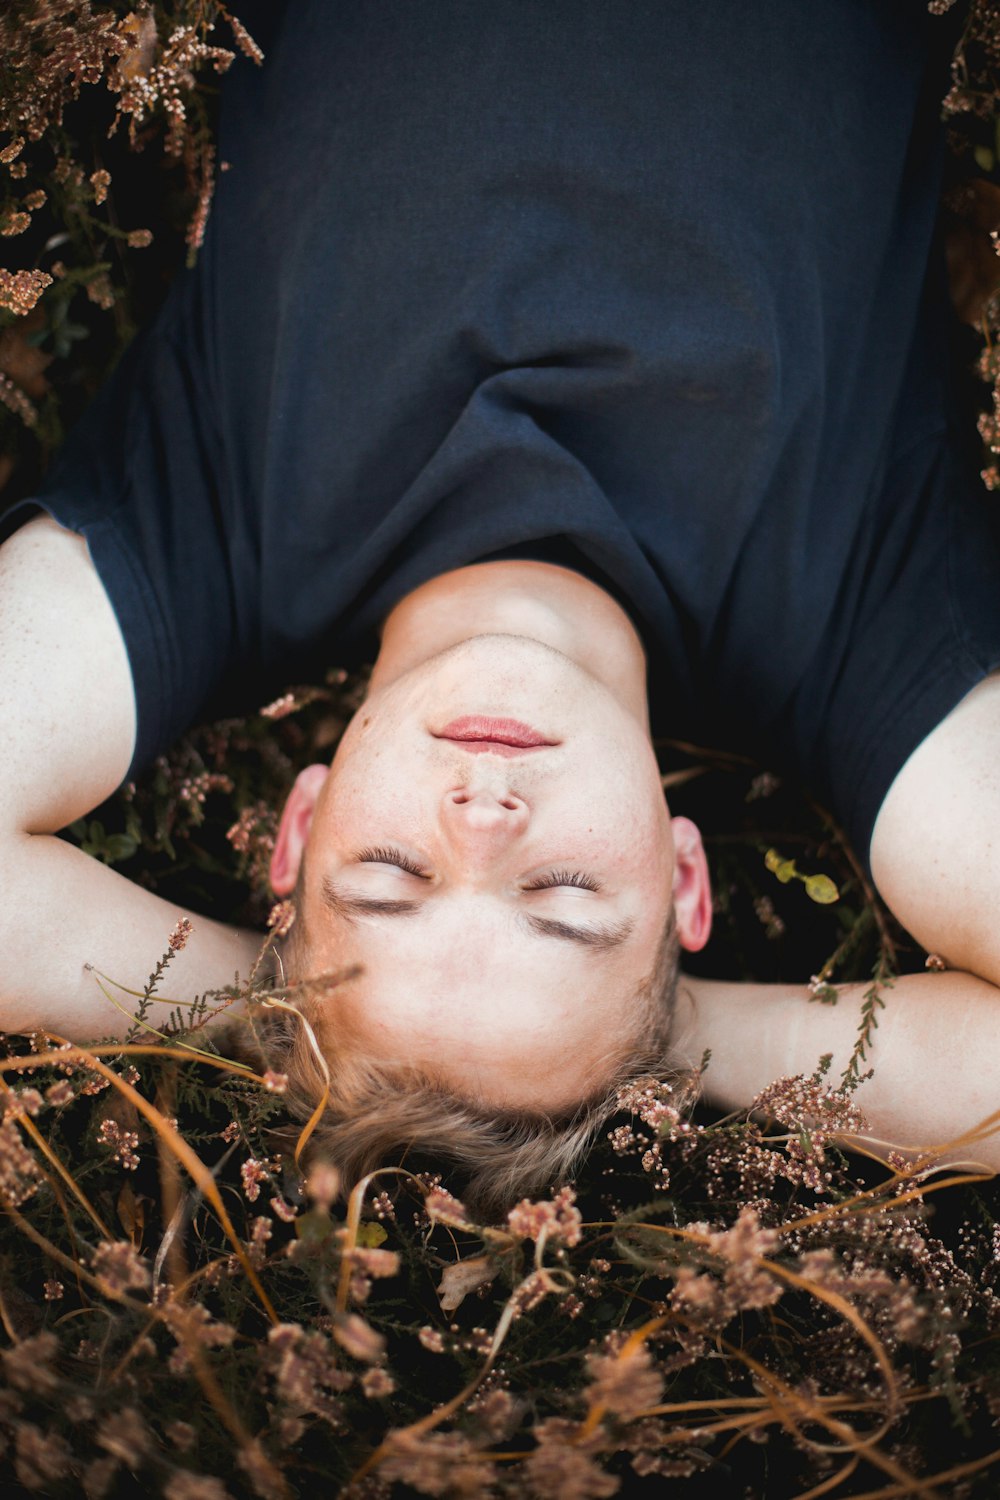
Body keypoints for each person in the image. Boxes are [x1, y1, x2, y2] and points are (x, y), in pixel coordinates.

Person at [3, 0, 1000, 1214]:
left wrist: (306, 1017)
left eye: (385, 881)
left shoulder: (212, 541)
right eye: (566, 902)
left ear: (297, 831)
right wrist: (645, 1045)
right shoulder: (851, 634)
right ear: (685, 886)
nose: (481, 820)